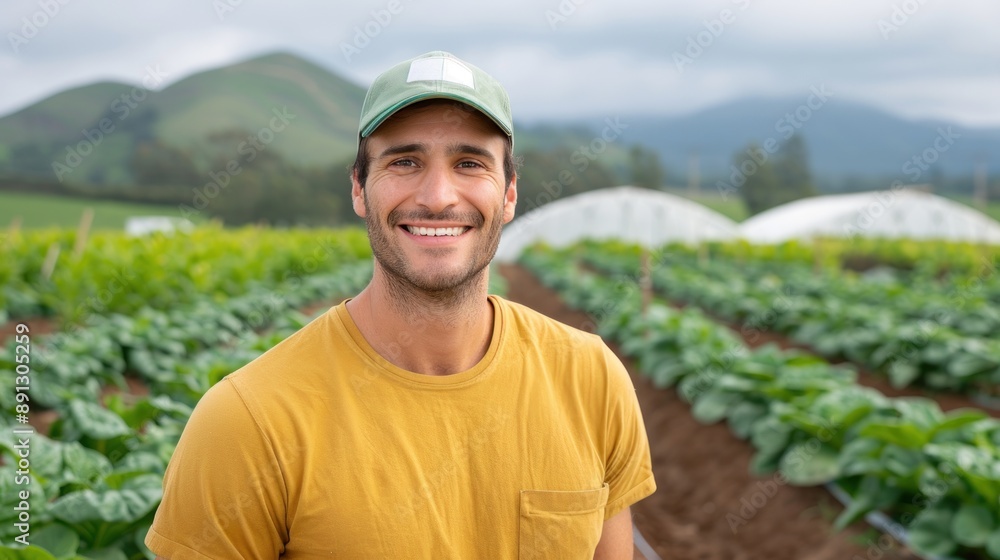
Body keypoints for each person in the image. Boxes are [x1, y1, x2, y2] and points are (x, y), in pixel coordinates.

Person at [146, 50, 655, 559]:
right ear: (359, 189)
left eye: (470, 163)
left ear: (509, 193)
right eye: (404, 162)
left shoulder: (591, 378)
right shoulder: (246, 422)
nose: (437, 197)